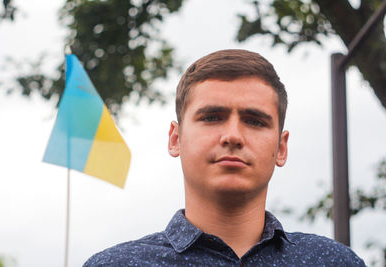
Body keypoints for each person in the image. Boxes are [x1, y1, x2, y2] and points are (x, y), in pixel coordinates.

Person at [83, 49, 365, 266]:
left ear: (281, 148)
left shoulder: (334, 262)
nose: (233, 135)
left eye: (255, 121)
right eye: (212, 117)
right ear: (175, 138)